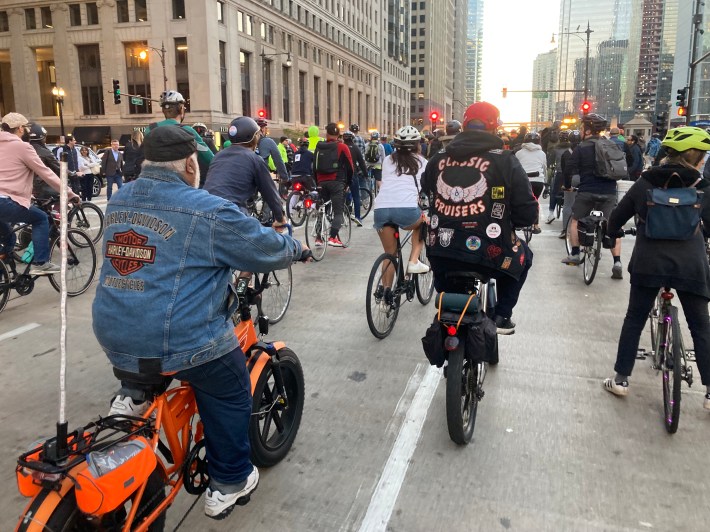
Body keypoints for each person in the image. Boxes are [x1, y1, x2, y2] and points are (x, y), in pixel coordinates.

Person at [94, 125, 305, 519]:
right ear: (192, 163)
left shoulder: (120, 199)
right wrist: (297, 247)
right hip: (180, 339)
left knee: (148, 328)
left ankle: (132, 394)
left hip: (113, 333)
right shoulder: (206, 209)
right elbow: (262, 247)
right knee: (227, 389)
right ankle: (230, 480)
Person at [603, 126, 710, 409]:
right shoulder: (703, 185)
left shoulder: (646, 183)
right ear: (698, 157)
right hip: (691, 264)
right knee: (701, 326)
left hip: (649, 262)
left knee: (634, 319)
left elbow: (618, 216)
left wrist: (611, 234)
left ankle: (622, 379)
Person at [421, 102, 537, 334]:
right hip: (489, 252)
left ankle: (446, 310)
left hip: (441, 249)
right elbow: (526, 209)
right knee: (525, 256)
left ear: (464, 126)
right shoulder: (505, 159)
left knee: (442, 271)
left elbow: (425, 191)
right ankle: (502, 315)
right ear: (494, 128)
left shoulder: (438, 157)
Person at [0, 113, 80, 270]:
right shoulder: (22, 147)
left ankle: (4, 278)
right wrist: (70, 194)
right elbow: (47, 173)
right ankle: (41, 263)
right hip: (6, 201)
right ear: (21, 129)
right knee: (40, 219)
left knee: (9, 239)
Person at [562, 113, 624, 279]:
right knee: (612, 224)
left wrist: (567, 186)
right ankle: (617, 262)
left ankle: (575, 253)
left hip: (587, 191)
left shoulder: (581, 148)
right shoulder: (612, 145)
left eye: (582, 128)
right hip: (609, 192)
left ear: (588, 131)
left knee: (575, 220)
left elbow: (569, 169)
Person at [203, 116, 286, 228]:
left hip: (205, 213)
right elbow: (271, 194)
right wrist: (280, 218)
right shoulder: (255, 159)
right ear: (254, 137)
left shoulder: (218, 156)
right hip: (230, 214)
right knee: (269, 242)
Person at [373, 125, 430, 280]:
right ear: (418, 144)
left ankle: (386, 295)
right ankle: (413, 261)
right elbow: (427, 186)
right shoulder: (423, 162)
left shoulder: (387, 160)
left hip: (381, 210)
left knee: (390, 255)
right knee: (424, 222)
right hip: (407, 211)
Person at [143, 90, 214, 187]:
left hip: (152, 181)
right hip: (178, 183)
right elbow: (210, 158)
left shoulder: (150, 129)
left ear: (164, 111)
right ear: (181, 109)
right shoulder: (187, 131)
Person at [313, 122, 354, 247]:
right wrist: (348, 183)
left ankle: (318, 239)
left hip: (321, 182)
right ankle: (332, 237)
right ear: (338, 135)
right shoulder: (342, 147)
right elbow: (350, 167)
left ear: (326, 134)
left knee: (321, 210)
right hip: (337, 182)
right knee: (338, 212)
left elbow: (314, 167)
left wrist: (317, 182)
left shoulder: (319, 146)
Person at [515, 131, 547, 234]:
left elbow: (514, 168)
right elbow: (544, 168)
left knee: (519, 200)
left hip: (523, 181)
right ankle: (536, 225)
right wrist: (546, 182)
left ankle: (518, 223)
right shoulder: (542, 154)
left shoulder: (519, 153)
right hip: (538, 181)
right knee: (536, 200)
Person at [26, 122, 61, 199]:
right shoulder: (45, 152)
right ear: (41, 137)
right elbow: (59, 168)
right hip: (43, 187)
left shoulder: (24, 149)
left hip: (27, 187)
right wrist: (72, 174)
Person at [254, 118, 289, 194]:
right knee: (272, 198)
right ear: (262, 129)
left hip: (245, 176)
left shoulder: (245, 142)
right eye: (265, 128)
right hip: (261, 176)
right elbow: (278, 161)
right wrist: (284, 177)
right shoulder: (268, 141)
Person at [343, 130, 369, 226]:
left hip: (341, 175)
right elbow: (362, 163)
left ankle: (340, 217)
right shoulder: (355, 148)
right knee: (356, 196)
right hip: (352, 174)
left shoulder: (340, 147)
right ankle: (358, 217)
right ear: (352, 138)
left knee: (341, 195)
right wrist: (366, 175)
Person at [559, 130, 581, 237]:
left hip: (572, 178)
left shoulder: (566, 153)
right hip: (585, 179)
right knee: (585, 204)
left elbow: (565, 171)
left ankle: (565, 230)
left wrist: (567, 185)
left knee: (568, 204)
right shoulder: (584, 150)